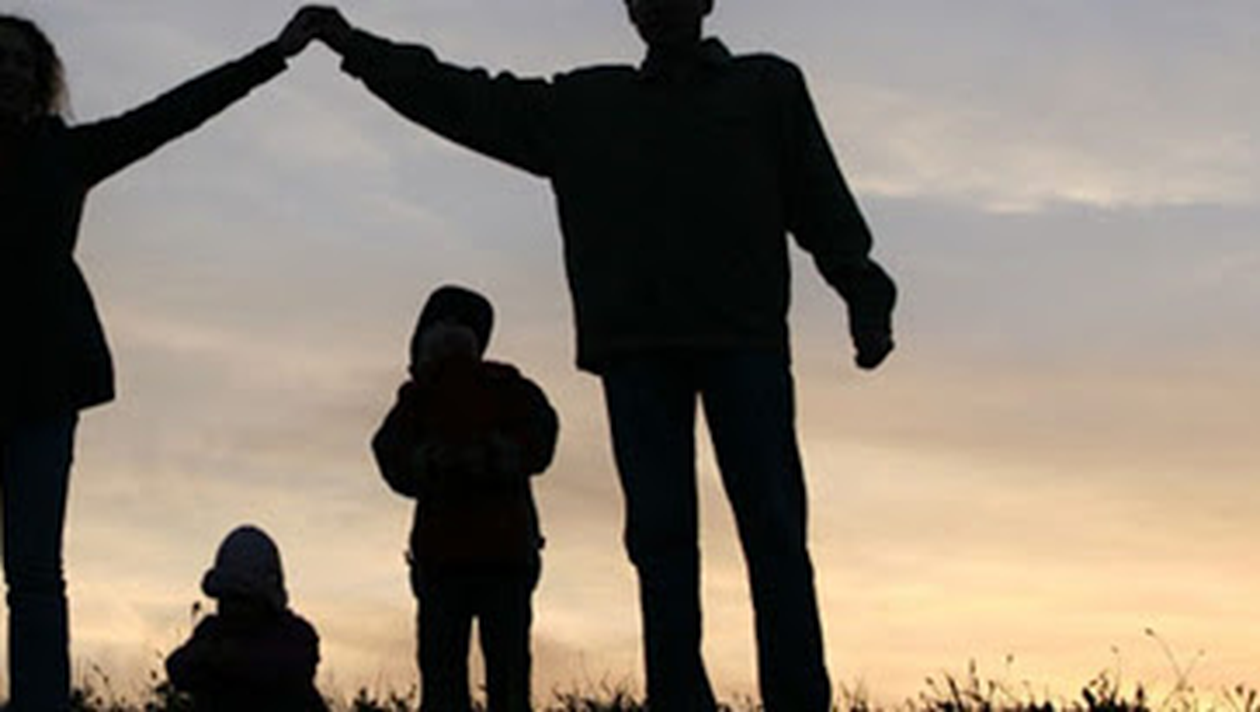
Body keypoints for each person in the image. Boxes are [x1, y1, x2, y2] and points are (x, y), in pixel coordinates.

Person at [299, 2, 897, 709]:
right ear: (630, 9)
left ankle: (795, 698)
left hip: (743, 343)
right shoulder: (590, 105)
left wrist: (861, 286)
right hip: (638, 353)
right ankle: (679, 699)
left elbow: (819, 198)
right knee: (662, 542)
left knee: (772, 529)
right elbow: (466, 99)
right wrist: (359, 49)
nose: (661, 7)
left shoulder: (764, 89)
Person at [0, 13, 321, 710]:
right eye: (1, 58)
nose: (11, 71)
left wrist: (271, 56)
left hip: (43, 385)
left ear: (41, 78)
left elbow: (172, 114)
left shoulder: (66, 154)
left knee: (33, 573)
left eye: (23, 61)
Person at [372, 285, 559, 712]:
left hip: (455, 561)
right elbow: (542, 439)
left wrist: (439, 462)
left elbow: (390, 453)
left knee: (447, 678)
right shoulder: (506, 388)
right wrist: (489, 457)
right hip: (495, 557)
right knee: (505, 676)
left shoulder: (423, 397)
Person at [165, 525, 328, 712]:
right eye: (227, 599)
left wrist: (226, 659)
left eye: (239, 599)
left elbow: (279, 667)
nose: (230, 609)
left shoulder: (293, 638)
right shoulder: (213, 633)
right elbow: (179, 667)